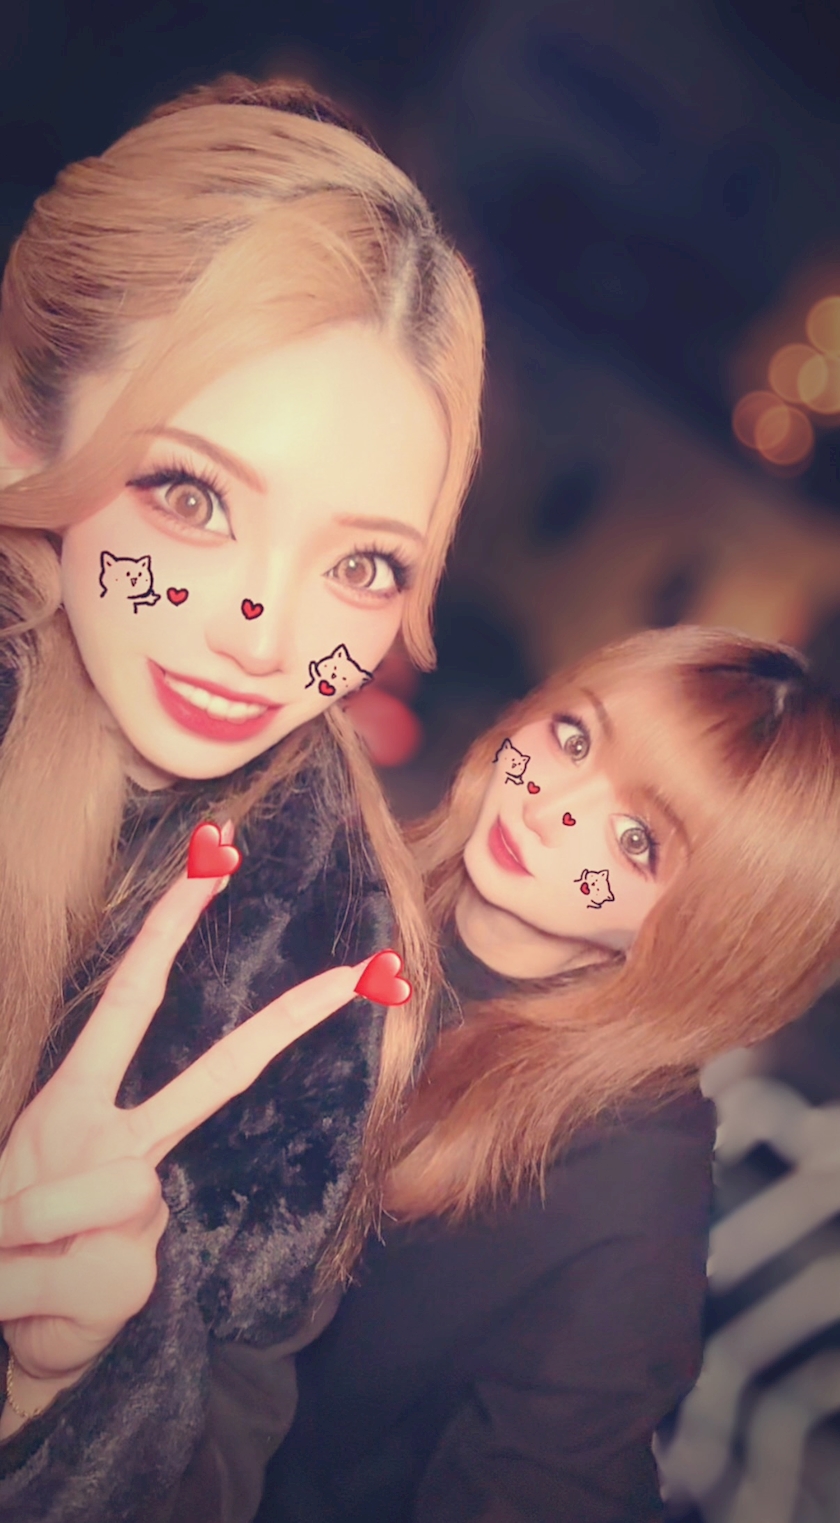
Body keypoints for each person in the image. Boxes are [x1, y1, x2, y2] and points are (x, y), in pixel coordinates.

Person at [0, 73, 483, 1522]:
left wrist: (60, 1380)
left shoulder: (324, 969)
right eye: (193, 496)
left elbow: (224, 1466)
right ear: (26, 437)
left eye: (363, 565)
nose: (267, 639)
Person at [261, 624, 840, 1523]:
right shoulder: (339, 874)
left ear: (714, 932)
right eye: (575, 738)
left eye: (637, 838)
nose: (548, 807)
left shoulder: (628, 1174)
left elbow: (555, 1476)